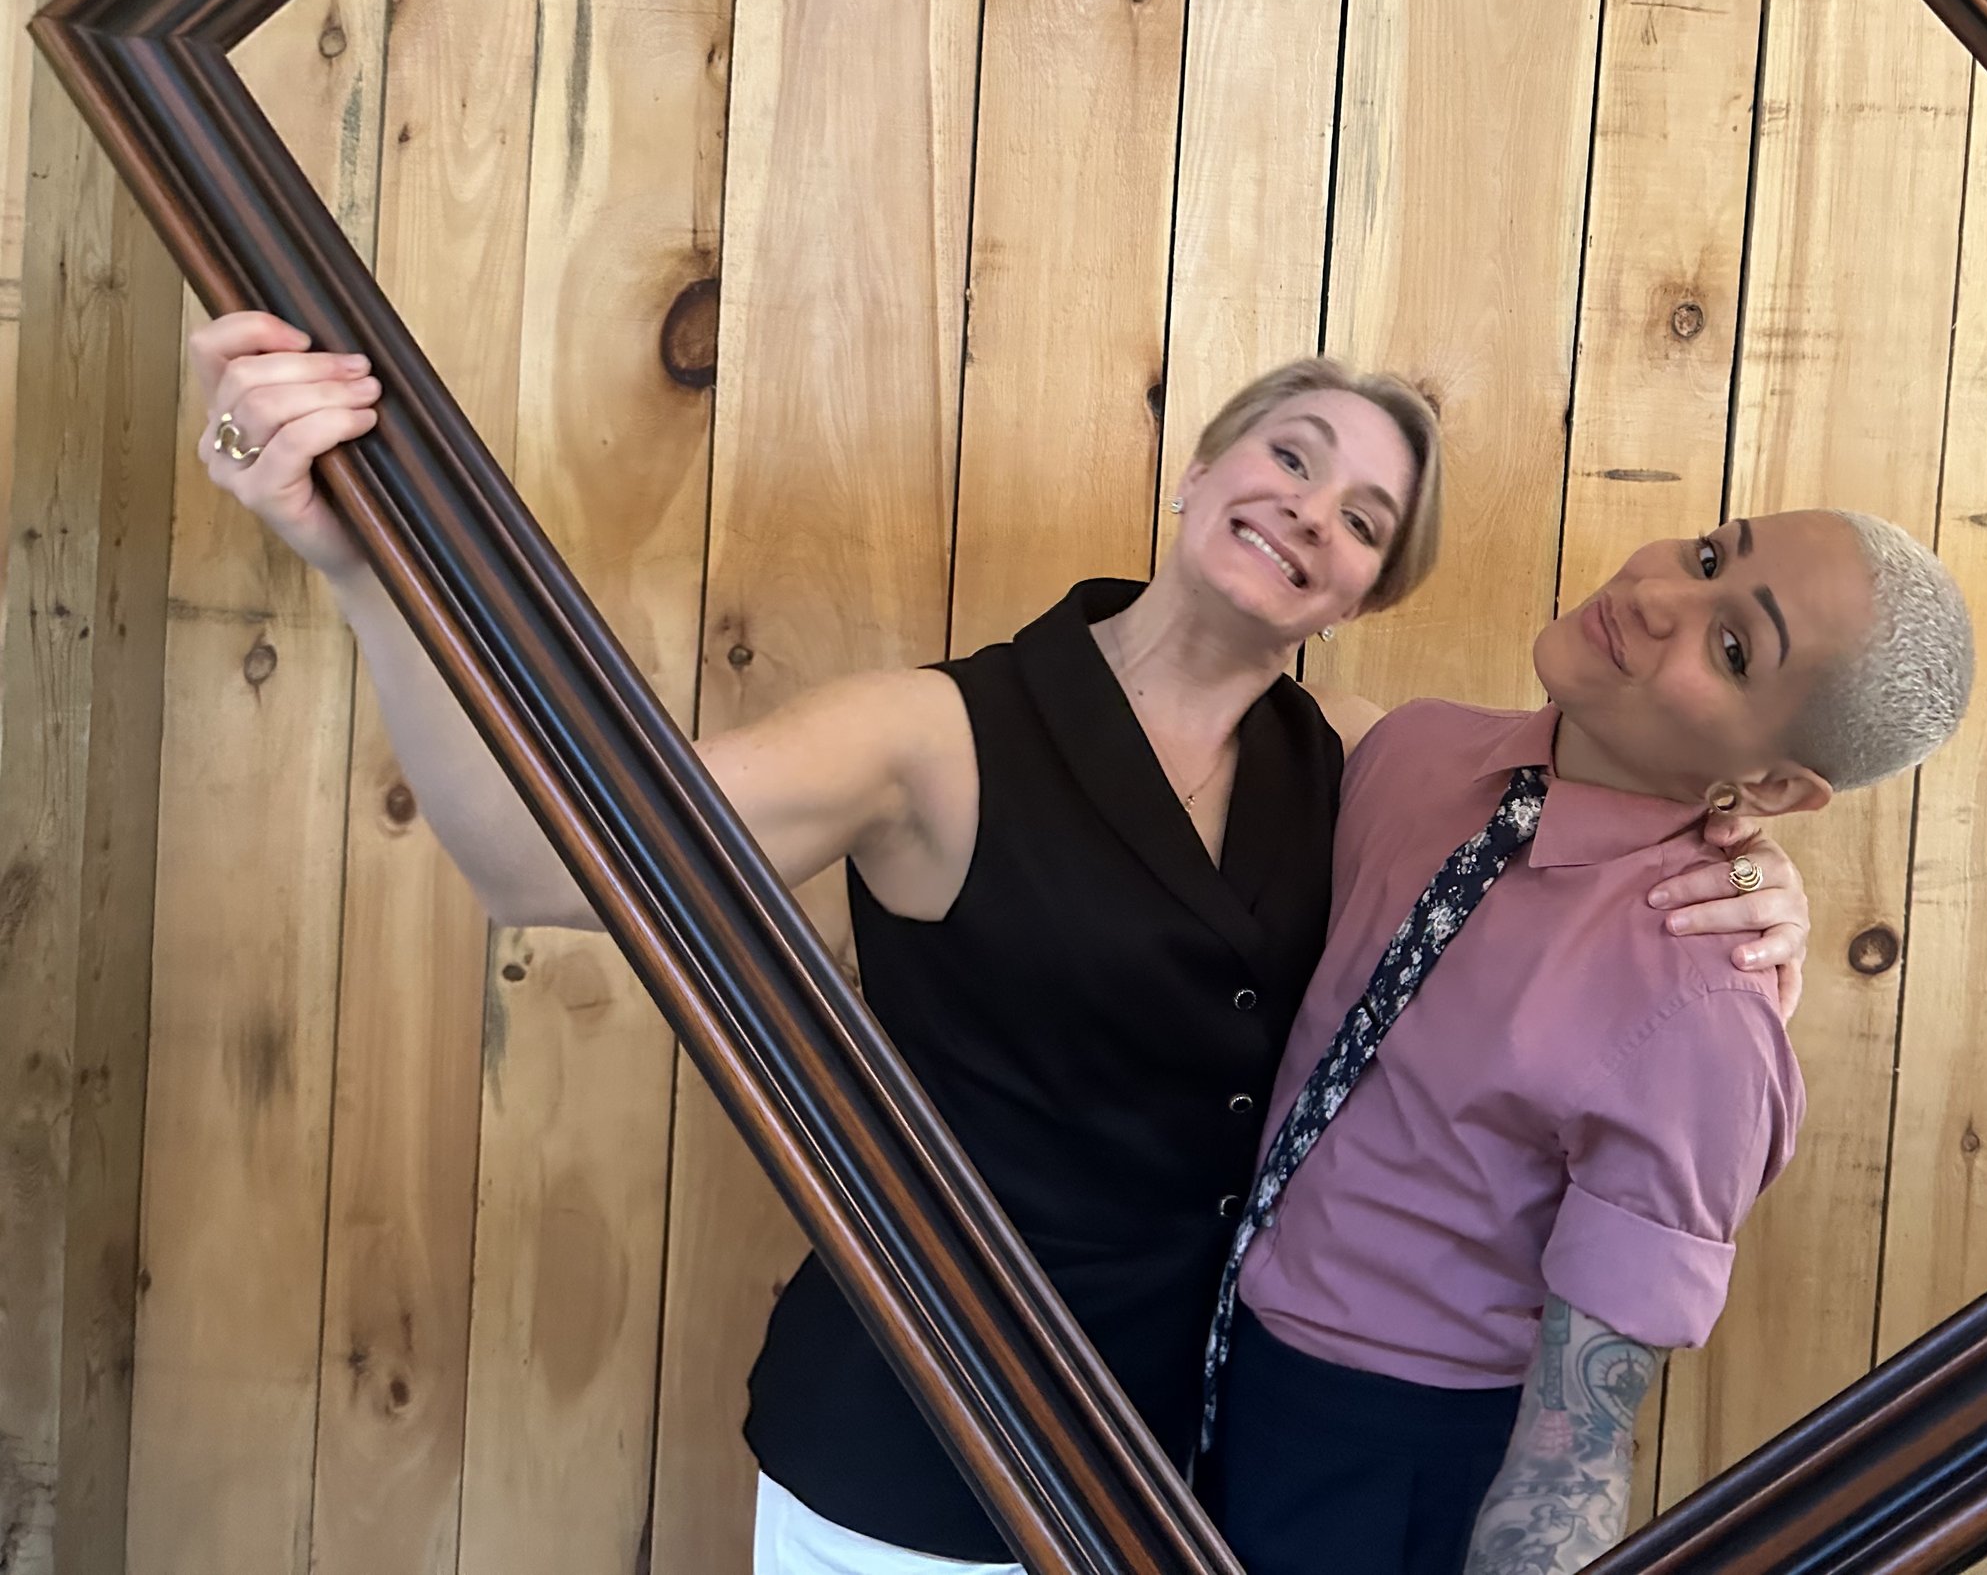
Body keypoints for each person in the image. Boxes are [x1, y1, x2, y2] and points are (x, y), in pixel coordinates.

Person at [186, 311, 1821, 1575]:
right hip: (911, 1454)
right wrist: (362, 574)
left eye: (1367, 516)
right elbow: (546, 865)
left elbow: (1541, 903)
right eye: (1292, 453)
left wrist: (1742, 881)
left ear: (1364, 598)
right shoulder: (929, 736)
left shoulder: (1363, 780)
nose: (1313, 507)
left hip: (1174, 1480)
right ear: (1203, 471)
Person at [1203, 510, 1975, 1575]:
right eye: (1708, 555)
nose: (1659, 595)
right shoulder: (1412, 750)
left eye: (1733, 646)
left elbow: (1571, 1453)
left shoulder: (1705, 1021)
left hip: (1395, 1459)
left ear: (1774, 791)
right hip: (1201, 1346)